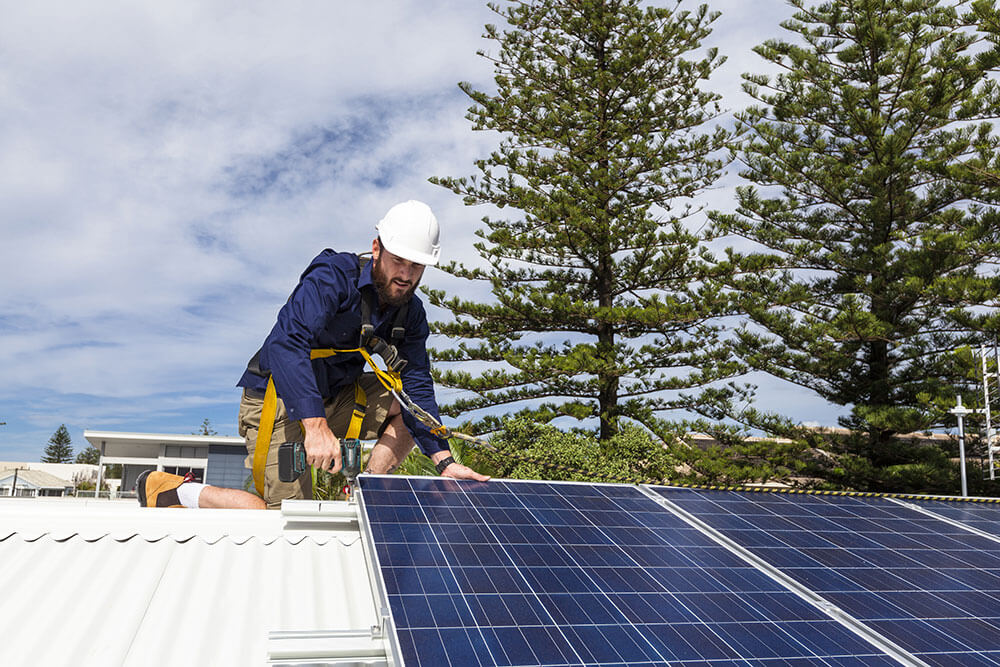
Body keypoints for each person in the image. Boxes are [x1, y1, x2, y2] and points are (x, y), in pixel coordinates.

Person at [137, 200, 490, 510]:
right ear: (377, 248)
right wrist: (315, 425)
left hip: (338, 397)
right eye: (399, 261)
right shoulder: (333, 278)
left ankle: (366, 490)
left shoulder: (410, 313)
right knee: (283, 519)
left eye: (416, 267)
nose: (406, 276)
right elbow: (286, 343)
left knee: (408, 407)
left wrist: (444, 462)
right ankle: (176, 492)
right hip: (276, 401)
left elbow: (415, 385)